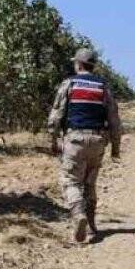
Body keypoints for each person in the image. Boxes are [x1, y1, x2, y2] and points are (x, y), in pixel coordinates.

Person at [47, 48, 123, 243]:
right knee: (90, 183)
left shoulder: (69, 84)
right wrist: (115, 147)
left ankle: (78, 214)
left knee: (70, 180)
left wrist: (53, 138)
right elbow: (114, 119)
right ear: (92, 66)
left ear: (78, 65)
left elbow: (56, 114)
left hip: (75, 139)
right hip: (98, 141)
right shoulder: (103, 87)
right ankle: (91, 224)